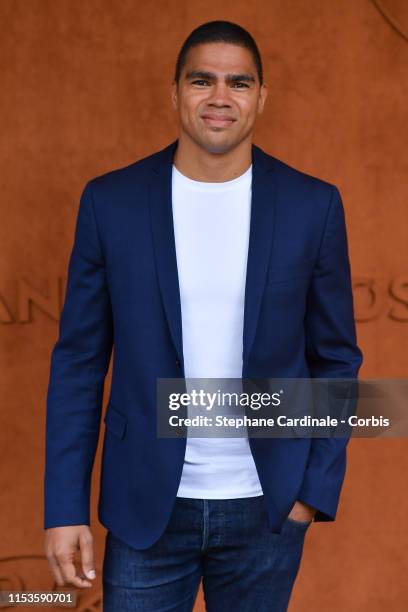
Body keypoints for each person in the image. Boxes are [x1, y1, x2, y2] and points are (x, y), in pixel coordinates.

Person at [44, 20, 363, 611]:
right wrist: (64, 508)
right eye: (202, 80)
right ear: (175, 93)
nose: (221, 97)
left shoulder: (312, 206)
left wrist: (310, 493)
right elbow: (79, 365)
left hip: (267, 511)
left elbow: (337, 358)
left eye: (239, 83)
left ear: (261, 97)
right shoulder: (109, 203)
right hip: (145, 510)